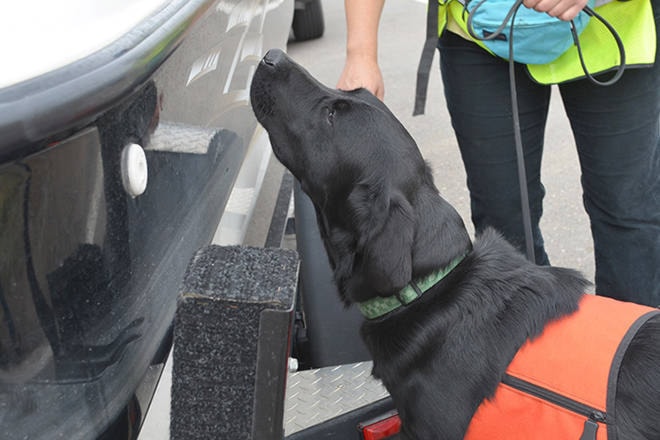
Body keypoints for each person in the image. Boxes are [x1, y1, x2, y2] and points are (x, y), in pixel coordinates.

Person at [337, 0, 660, 307]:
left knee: (629, 216)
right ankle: (532, 356)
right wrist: (360, 53)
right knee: (503, 221)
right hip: (479, 34)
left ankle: (635, 356)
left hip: (610, 29)